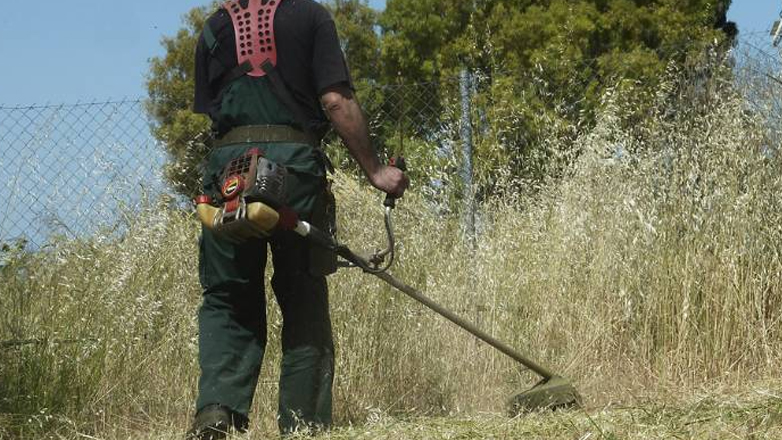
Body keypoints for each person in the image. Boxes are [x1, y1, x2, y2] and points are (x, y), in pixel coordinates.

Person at [188, 0, 408, 438]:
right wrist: (377, 171)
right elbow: (335, 99)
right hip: (295, 172)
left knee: (229, 296)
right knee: (303, 294)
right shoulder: (311, 16)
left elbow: (215, 114)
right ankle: (303, 425)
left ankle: (217, 413)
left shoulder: (213, 27)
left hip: (228, 175)